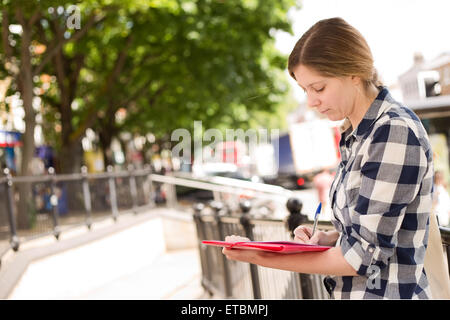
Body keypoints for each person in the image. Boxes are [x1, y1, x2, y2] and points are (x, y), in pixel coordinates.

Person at [222, 17, 435, 299]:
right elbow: (379, 230)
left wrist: (259, 256)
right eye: (305, 90)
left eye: (319, 88)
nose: (311, 101)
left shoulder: (393, 131)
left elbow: (362, 257)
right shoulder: (358, 132)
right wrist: (329, 239)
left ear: (354, 74)